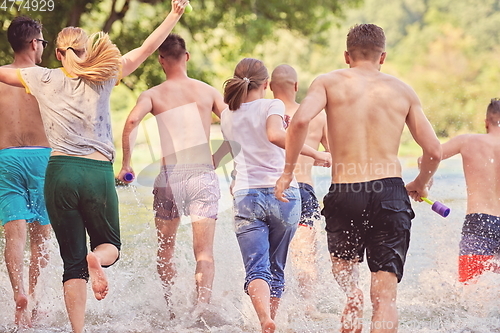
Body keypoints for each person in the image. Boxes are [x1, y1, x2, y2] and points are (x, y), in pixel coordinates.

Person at [0, 2, 189, 332]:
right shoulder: (107, 75)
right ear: (86, 52)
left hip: (58, 174)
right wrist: (173, 15)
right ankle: (97, 259)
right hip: (96, 173)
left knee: (71, 264)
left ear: (58, 54)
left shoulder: (41, 77)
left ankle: (77, 329)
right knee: (109, 247)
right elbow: (147, 48)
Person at [275, 24, 441, 333]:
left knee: (347, 277)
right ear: (383, 56)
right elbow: (434, 150)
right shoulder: (403, 90)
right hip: (390, 192)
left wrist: (287, 173)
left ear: (346, 55)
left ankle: (351, 296)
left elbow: (298, 122)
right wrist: (421, 182)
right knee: (385, 300)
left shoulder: (327, 82)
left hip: (346, 190)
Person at [117, 33, 227, 319]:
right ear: (187, 57)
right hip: (201, 175)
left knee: (165, 249)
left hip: (169, 178)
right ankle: (200, 310)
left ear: (161, 60)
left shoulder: (153, 95)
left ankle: (172, 311)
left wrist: (127, 164)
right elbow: (235, 126)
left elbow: (131, 121)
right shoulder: (207, 92)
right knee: (204, 253)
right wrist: (219, 157)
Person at [221, 58, 331, 333]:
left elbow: (231, 153)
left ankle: (263, 320)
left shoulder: (226, 114)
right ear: (266, 84)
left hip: (246, 195)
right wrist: (316, 152)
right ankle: (273, 317)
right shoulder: (273, 105)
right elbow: (274, 135)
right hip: (284, 195)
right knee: (276, 265)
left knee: (256, 267)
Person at [0, 16, 51, 329]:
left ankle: (18, 293)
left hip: (6, 158)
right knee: (41, 236)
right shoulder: (49, 78)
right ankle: (35, 298)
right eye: (43, 41)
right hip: (43, 159)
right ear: (34, 44)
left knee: (13, 233)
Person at [269, 64, 328, 317]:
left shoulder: (265, 115)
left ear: (270, 87)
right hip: (303, 189)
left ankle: (272, 307)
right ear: (296, 87)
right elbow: (332, 155)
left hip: (270, 190)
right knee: (306, 255)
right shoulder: (317, 117)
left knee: (270, 253)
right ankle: (308, 306)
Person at [440, 98, 500, 284]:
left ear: (486, 121)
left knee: (471, 292)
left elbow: (430, 156)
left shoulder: (468, 141)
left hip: (480, 222)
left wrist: (422, 184)